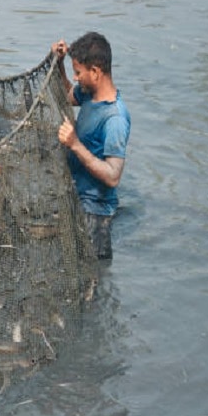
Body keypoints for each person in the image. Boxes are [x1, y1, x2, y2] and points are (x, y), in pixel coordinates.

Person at [51, 32, 131, 260]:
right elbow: (66, 96)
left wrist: (75, 144)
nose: (76, 79)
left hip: (95, 214)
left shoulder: (114, 118)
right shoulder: (89, 95)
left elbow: (113, 176)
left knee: (93, 279)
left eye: (78, 73)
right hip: (77, 199)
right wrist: (59, 65)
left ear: (95, 72)